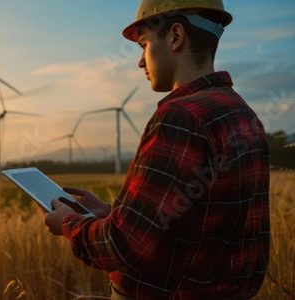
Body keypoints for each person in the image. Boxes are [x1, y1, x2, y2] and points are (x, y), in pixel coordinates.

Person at [40, 1, 270, 299]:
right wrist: (110, 215)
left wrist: (69, 224)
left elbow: (122, 249)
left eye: (144, 44)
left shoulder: (182, 117)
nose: (140, 61)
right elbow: (193, 226)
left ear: (175, 37)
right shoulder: (243, 113)